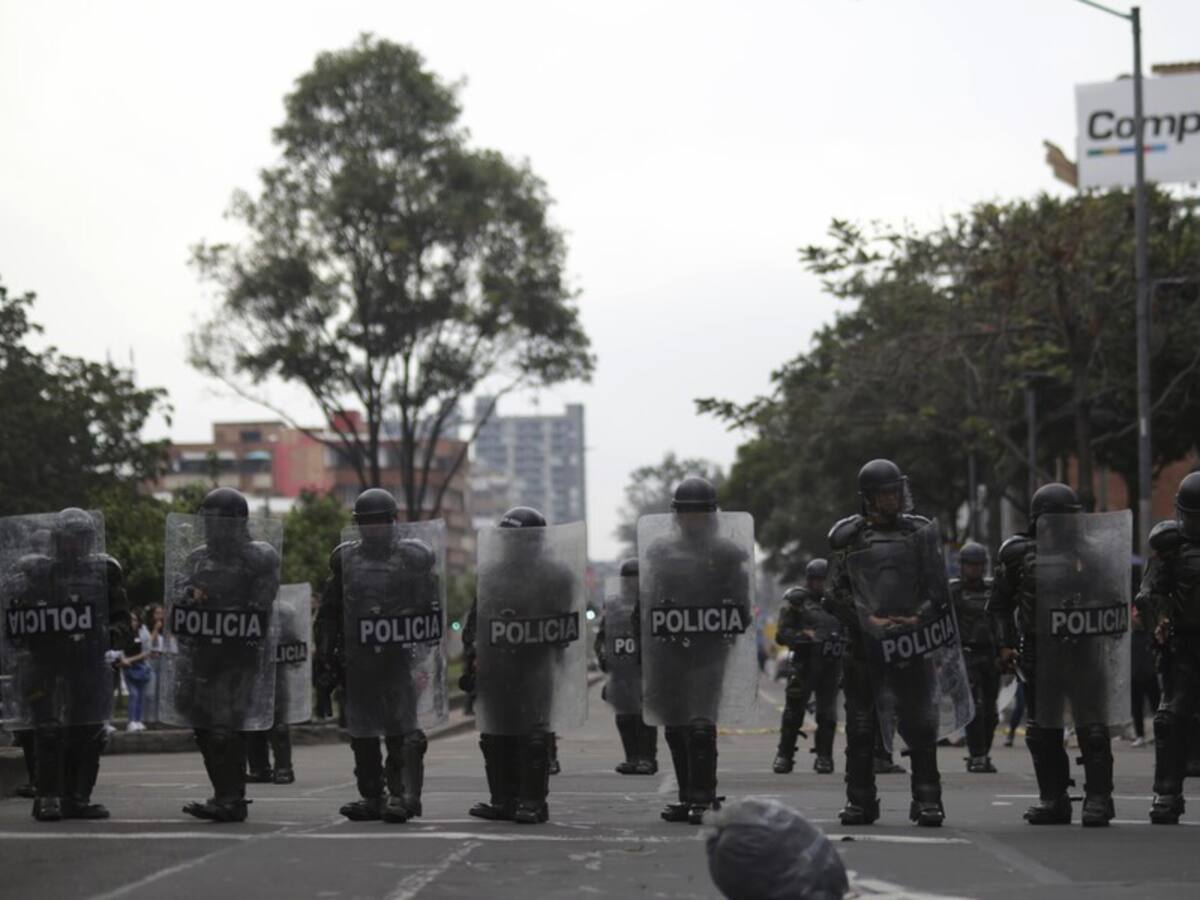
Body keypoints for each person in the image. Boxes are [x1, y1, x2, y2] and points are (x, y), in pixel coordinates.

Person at [826, 459, 953, 827]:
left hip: (911, 643)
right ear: (868, 498)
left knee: (920, 724)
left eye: (896, 491)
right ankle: (861, 802)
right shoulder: (851, 537)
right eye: (884, 494)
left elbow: (938, 590)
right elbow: (834, 595)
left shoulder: (920, 533)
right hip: (864, 649)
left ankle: (928, 800)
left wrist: (918, 618)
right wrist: (868, 620)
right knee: (862, 728)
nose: (892, 499)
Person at [989, 482, 1124, 827]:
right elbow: (1000, 605)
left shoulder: (1093, 553)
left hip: (1085, 649)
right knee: (1043, 731)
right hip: (1040, 651)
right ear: (1041, 521)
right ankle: (1053, 799)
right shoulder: (1018, 555)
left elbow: (1114, 598)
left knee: (1093, 729)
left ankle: (1099, 798)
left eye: (1071, 519)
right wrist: (1004, 645)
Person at [315, 488, 445, 822]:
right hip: (358, 662)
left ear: (392, 522)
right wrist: (326, 658)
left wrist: (422, 654)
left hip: (398, 659)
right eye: (366, 523)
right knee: (363, 734)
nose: (372, 529)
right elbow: (329, 615)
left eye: (379, 522)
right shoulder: (347, 561)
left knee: (402, 731)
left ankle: (403, 795)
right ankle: (373, 796)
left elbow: (429, 612)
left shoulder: (412, 559)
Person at [2, 508, 131, 821]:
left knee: (88, 731)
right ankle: (47, 796)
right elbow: (13, 620)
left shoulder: (104, 570)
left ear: (89, 539)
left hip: (86, 662)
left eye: (80, 538)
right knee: (46, 730)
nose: (74, 545)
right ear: (57, 540)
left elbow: (121, 620)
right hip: (44, 661)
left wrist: (107, 635)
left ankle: (78, 798)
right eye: (68, 538)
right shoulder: (34, 572)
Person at [640, 477, 755, 825]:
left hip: (708, 651)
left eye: (700, 513)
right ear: (677, 515)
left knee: (702, 725)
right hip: (668, 651)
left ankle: (704, 798)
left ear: (712, 514)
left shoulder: (727, 554)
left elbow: (741, 608)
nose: (694, 519)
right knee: (675, 726)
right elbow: (648, 602)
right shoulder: (659, 552)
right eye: (687, 513)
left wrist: (721, 618)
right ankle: (687, 795)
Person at [168, 488, 281, 823]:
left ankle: (232, 799)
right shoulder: (198, 558)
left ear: (236, 521)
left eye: (217, 520)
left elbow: (261, 604)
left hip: (239, 656)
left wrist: (219, 605)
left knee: (224, 727)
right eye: (207, 520)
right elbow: (181, 596)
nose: (210, 527)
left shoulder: (258, 557)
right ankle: (223, 794)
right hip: (203, 654)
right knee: (204, 727)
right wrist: (189, 597)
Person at [467, 506, 585, 824]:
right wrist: (470, 659)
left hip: (536, 665)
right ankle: (502, 800)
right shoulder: (492, 575)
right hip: (498, 667)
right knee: (495, 735)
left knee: (533, 734)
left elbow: (565, 623)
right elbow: (477, 620)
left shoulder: (556, 575)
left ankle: (532, 801)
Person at [1138, 471, 1200, 824]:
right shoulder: (1171, 548)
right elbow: (1150, 591)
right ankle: (1167, 792)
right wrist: (1158, 618)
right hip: (1184, 643)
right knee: (1170, 717)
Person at [772, 559, 842, 775]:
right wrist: (803, 636)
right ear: (809, 579)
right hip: (804, 664)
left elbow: (852, 628)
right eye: (815, 579)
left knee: (828, 715)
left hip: (831, 665)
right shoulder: (797, 601)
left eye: (822, 579)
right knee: (794, 712)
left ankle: (824, 756)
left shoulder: (838, 603)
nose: (819, 584)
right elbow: (781, 634)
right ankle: (784, 755)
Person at [594, 558, 658, 775]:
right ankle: (631, 757)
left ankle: (647, 758)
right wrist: (603, 656)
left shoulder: (652, 603)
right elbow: (602, 636)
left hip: (643, 670)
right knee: (624, 716)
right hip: (621, 670)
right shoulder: (613, 604)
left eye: (635, 578)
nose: (631, 583)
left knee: (643, 716)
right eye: (627, 579)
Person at [951, 542, 999, 773]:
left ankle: (983, 754)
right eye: (970, 565)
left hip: (990, 654)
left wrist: (1007, 649)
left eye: (979, 565)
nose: (975, 569)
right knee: (975, 709)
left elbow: (1003, 620)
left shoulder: (994, 590)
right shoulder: (953, 591)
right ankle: (977, 754)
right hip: (965, 655)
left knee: (991, 712)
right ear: (962, 566)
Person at [119, 609, 153, 732]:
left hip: (141, 667)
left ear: (138, 621)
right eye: (130, 619)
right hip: (128, 668)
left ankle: (138, 721)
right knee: (133, 694)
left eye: (134, 619)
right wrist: (123, 659)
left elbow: (147, 652)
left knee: (141, 695)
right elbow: (120, 648)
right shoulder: (124, 633)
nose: (131, 622)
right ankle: (131, 721)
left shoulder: (144, 633)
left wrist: (130, 659)